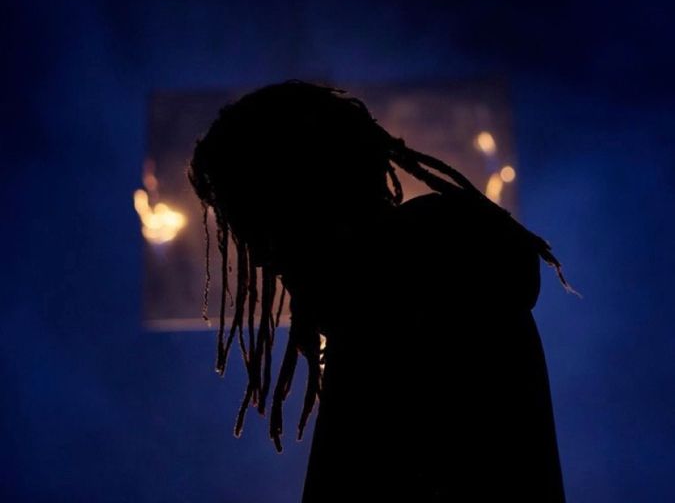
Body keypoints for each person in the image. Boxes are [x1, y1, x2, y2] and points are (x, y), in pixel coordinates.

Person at [188, 80, 577, 502]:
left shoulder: (402, 312)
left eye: (256, 221)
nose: (261, 259)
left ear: (307, 197)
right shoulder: (416, 291)